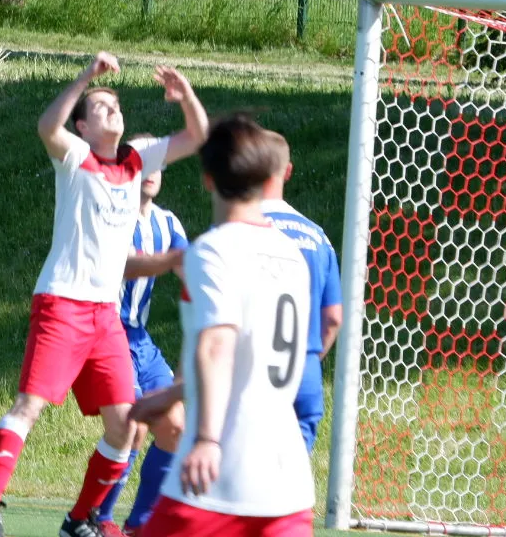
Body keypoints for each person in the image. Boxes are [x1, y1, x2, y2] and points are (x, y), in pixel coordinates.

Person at [0, 52, 209, 537]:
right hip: (62, 303)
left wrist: (185, 94)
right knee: (30, 407)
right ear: (82, 126)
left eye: (116, 105)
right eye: (100, 107)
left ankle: (78, 519)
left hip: (106, 316)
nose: (112, 110)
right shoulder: (75, 158)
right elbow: (47, 125)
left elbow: (197, 136)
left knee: (124, 426)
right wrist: (87, 76)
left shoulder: (137, 160)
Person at [132, 114, 314, 537]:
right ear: (267, 180)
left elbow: (218, 346)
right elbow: (253, 357)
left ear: (208, 179)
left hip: (220, 476)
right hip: (287, 482)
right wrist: (175, 393)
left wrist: (206, 439)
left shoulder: (214, 250)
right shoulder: (290, 254)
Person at [102, 161, 188, 537]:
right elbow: (120, 265)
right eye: (143, 163)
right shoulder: (109, 215)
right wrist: (169, 260)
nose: (152, 171)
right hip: (106, 331)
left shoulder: (168, 223)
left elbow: (192, 273)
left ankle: (140, 525)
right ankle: (97, 518)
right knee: (132, 426)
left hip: (140, 338)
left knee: (175, 425)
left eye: (158, 164)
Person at [261, 145, 342, 453]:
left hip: (257, 371)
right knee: (293, 473)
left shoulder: (240, 230)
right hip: (304, 370)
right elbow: (333, 318)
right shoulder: (319, 236)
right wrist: (308, 359)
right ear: (288, 171)